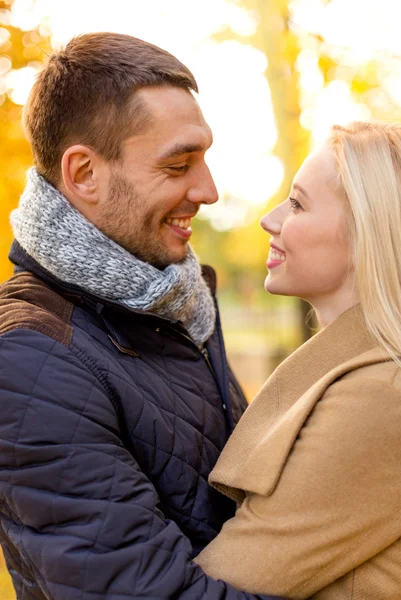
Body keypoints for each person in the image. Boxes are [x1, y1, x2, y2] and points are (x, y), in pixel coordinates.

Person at [0, 32, 284, 600]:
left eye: (204, 160)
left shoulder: (174, 299)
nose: (208, 190)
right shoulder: (30, 361)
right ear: (83, 175)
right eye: (178, 165)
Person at [195, 121, 401, 599]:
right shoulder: (370, 374)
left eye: (296, 203)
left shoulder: (384, 395)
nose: (269, 219)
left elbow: (222, 582)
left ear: (368, 232)